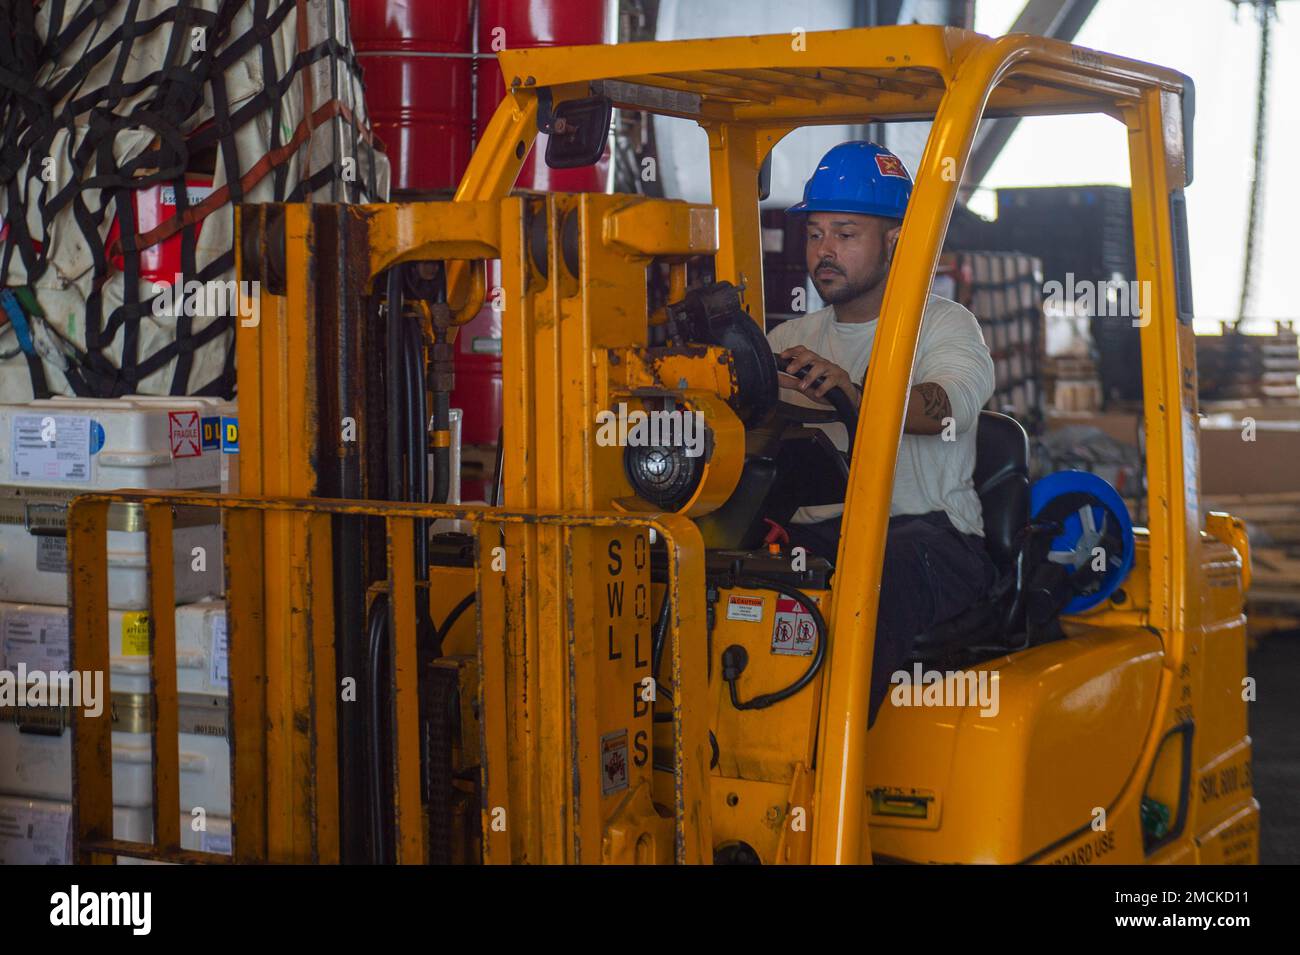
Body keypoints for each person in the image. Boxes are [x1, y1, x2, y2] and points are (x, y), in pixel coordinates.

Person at [767, 141, 997, 727]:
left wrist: (858, 394)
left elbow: (949, 406)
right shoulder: (789, 336)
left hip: (932, 538)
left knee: (868, 583)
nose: (825, 251)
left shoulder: (944, 326)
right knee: (710, 563)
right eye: (815, 233)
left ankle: (829, 768)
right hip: (826, 534)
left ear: (895, 241)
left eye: (845, 234)